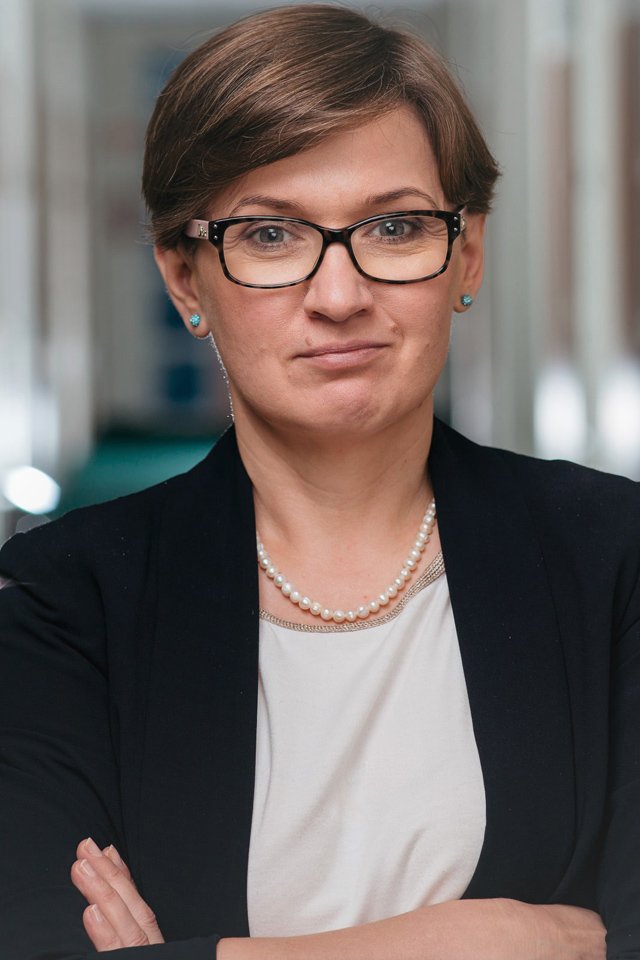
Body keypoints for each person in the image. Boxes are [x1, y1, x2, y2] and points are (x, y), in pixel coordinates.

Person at [0, 4, 638, 959]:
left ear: (465, 254)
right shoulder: (57, 600)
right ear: (185, 279)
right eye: (268, 236)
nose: (340, 296)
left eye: (396, 226)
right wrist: (492, 939)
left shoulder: (614, 555)